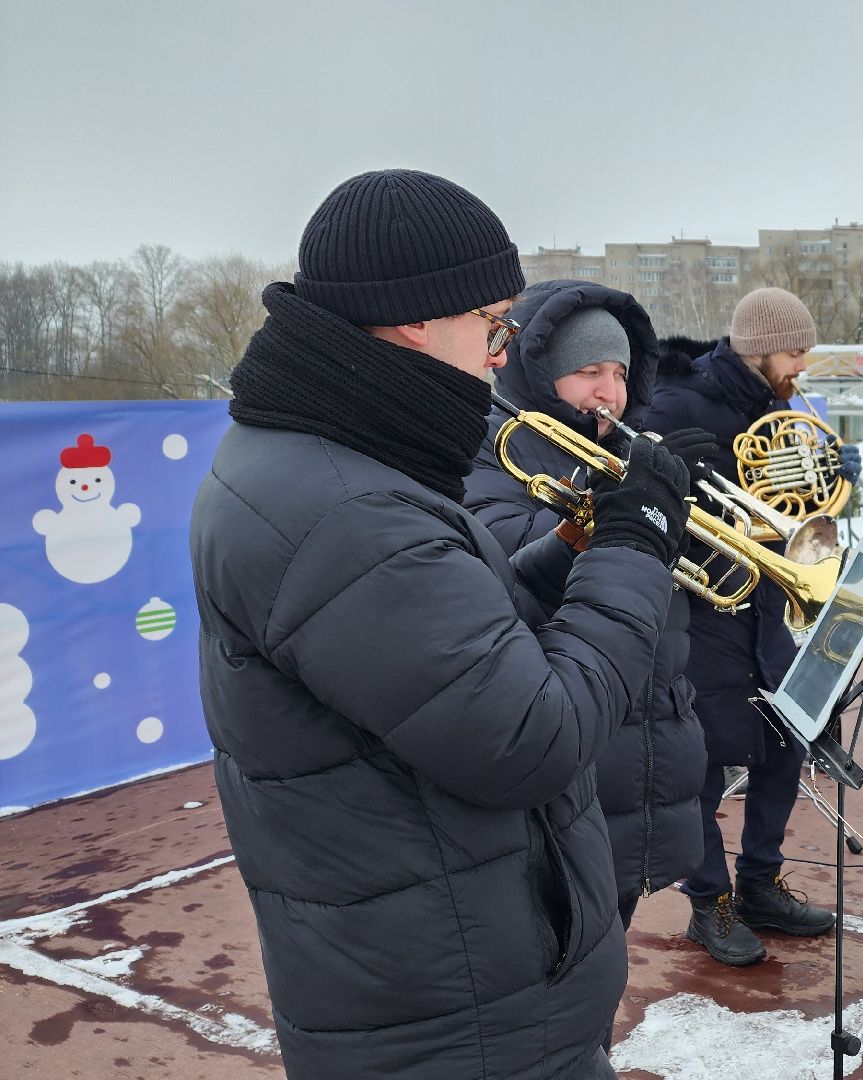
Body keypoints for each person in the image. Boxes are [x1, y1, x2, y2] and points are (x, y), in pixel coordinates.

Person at [190, 169, 690, 1080]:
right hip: (456, 1020)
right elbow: (532, 736)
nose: (500, 356)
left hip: (462, 984)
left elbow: (462, 648)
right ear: (420, 320)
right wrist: (638, 545)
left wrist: (580, 545)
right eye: (493, 326)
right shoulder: (345, 506)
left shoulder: (331, 449)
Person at [464, 277, 719, 930]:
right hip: (570, 746)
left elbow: (681, 587)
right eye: (588, 372)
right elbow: (509, 570)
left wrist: (689, 510)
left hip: (645, 742)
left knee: (605, 962)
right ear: (540, 372)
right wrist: (610, 509)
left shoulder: (625, 449)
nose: (611, 392)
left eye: (619, 373)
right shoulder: (492, 451)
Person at [643, 287, 862, 966]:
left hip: (767, 598)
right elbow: (634, 489)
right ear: (761, 347)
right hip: (703, 607)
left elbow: (787, 502)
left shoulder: (777, 404)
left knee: (786, 742)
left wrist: (828, 476)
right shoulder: (677, 402)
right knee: (704, 763)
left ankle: (760, 883)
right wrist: (670, 473)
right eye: (795, 352)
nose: (802, 366)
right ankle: (709, 903)